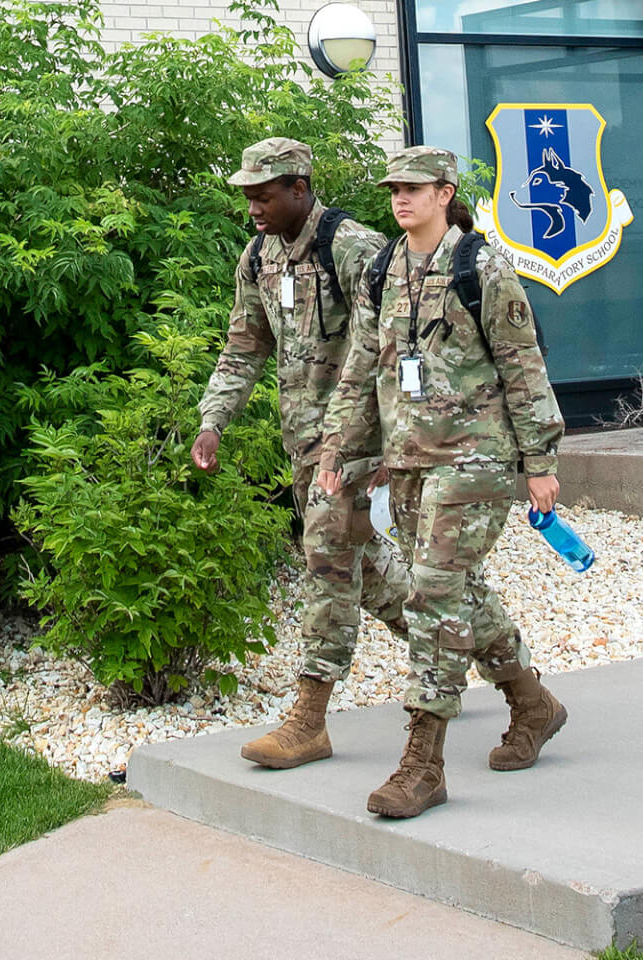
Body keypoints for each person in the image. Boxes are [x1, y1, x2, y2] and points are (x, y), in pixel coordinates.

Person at [317, 145, 567, 819]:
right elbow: (362, 365)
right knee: (462, 588)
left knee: (432, 594)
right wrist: (339, 444)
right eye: (394, 188)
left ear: (445, 192)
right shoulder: (382, 270)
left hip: (475, 459)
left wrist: (539, 464)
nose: (401, 199)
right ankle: (532, 703)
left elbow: (523, 366)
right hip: (410, 463)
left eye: (415, 188)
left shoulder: (480, 266)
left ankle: (423, 763)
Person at [195, 137, 411, 770]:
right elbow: (243, 346)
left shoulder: (352, 249)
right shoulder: (259, 257)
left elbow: (396, 348)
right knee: (367, 571)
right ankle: (488, 657)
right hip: (305, 445)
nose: (254, 208)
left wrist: (384, 446)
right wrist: (213, 421)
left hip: (354, 447)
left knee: (326, 564)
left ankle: (309, 718)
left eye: (264, 196)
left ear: (299, 188)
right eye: (248, 197)